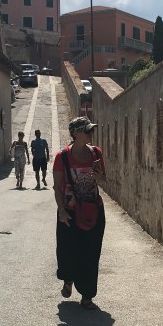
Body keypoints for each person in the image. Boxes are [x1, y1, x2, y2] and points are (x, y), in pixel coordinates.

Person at [53, 116, 106, 310]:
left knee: (91, 253)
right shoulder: (62, 157)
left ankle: (87, 295)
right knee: (68, 252)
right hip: (69, 212)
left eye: (91, 130)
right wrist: (61, 210)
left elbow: (103, 180)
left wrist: (99, 176)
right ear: (75, 133)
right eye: (87, 130)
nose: (91, 133)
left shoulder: (96, 153)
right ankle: (68, 279)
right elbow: (57, 187)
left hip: (93, 210)